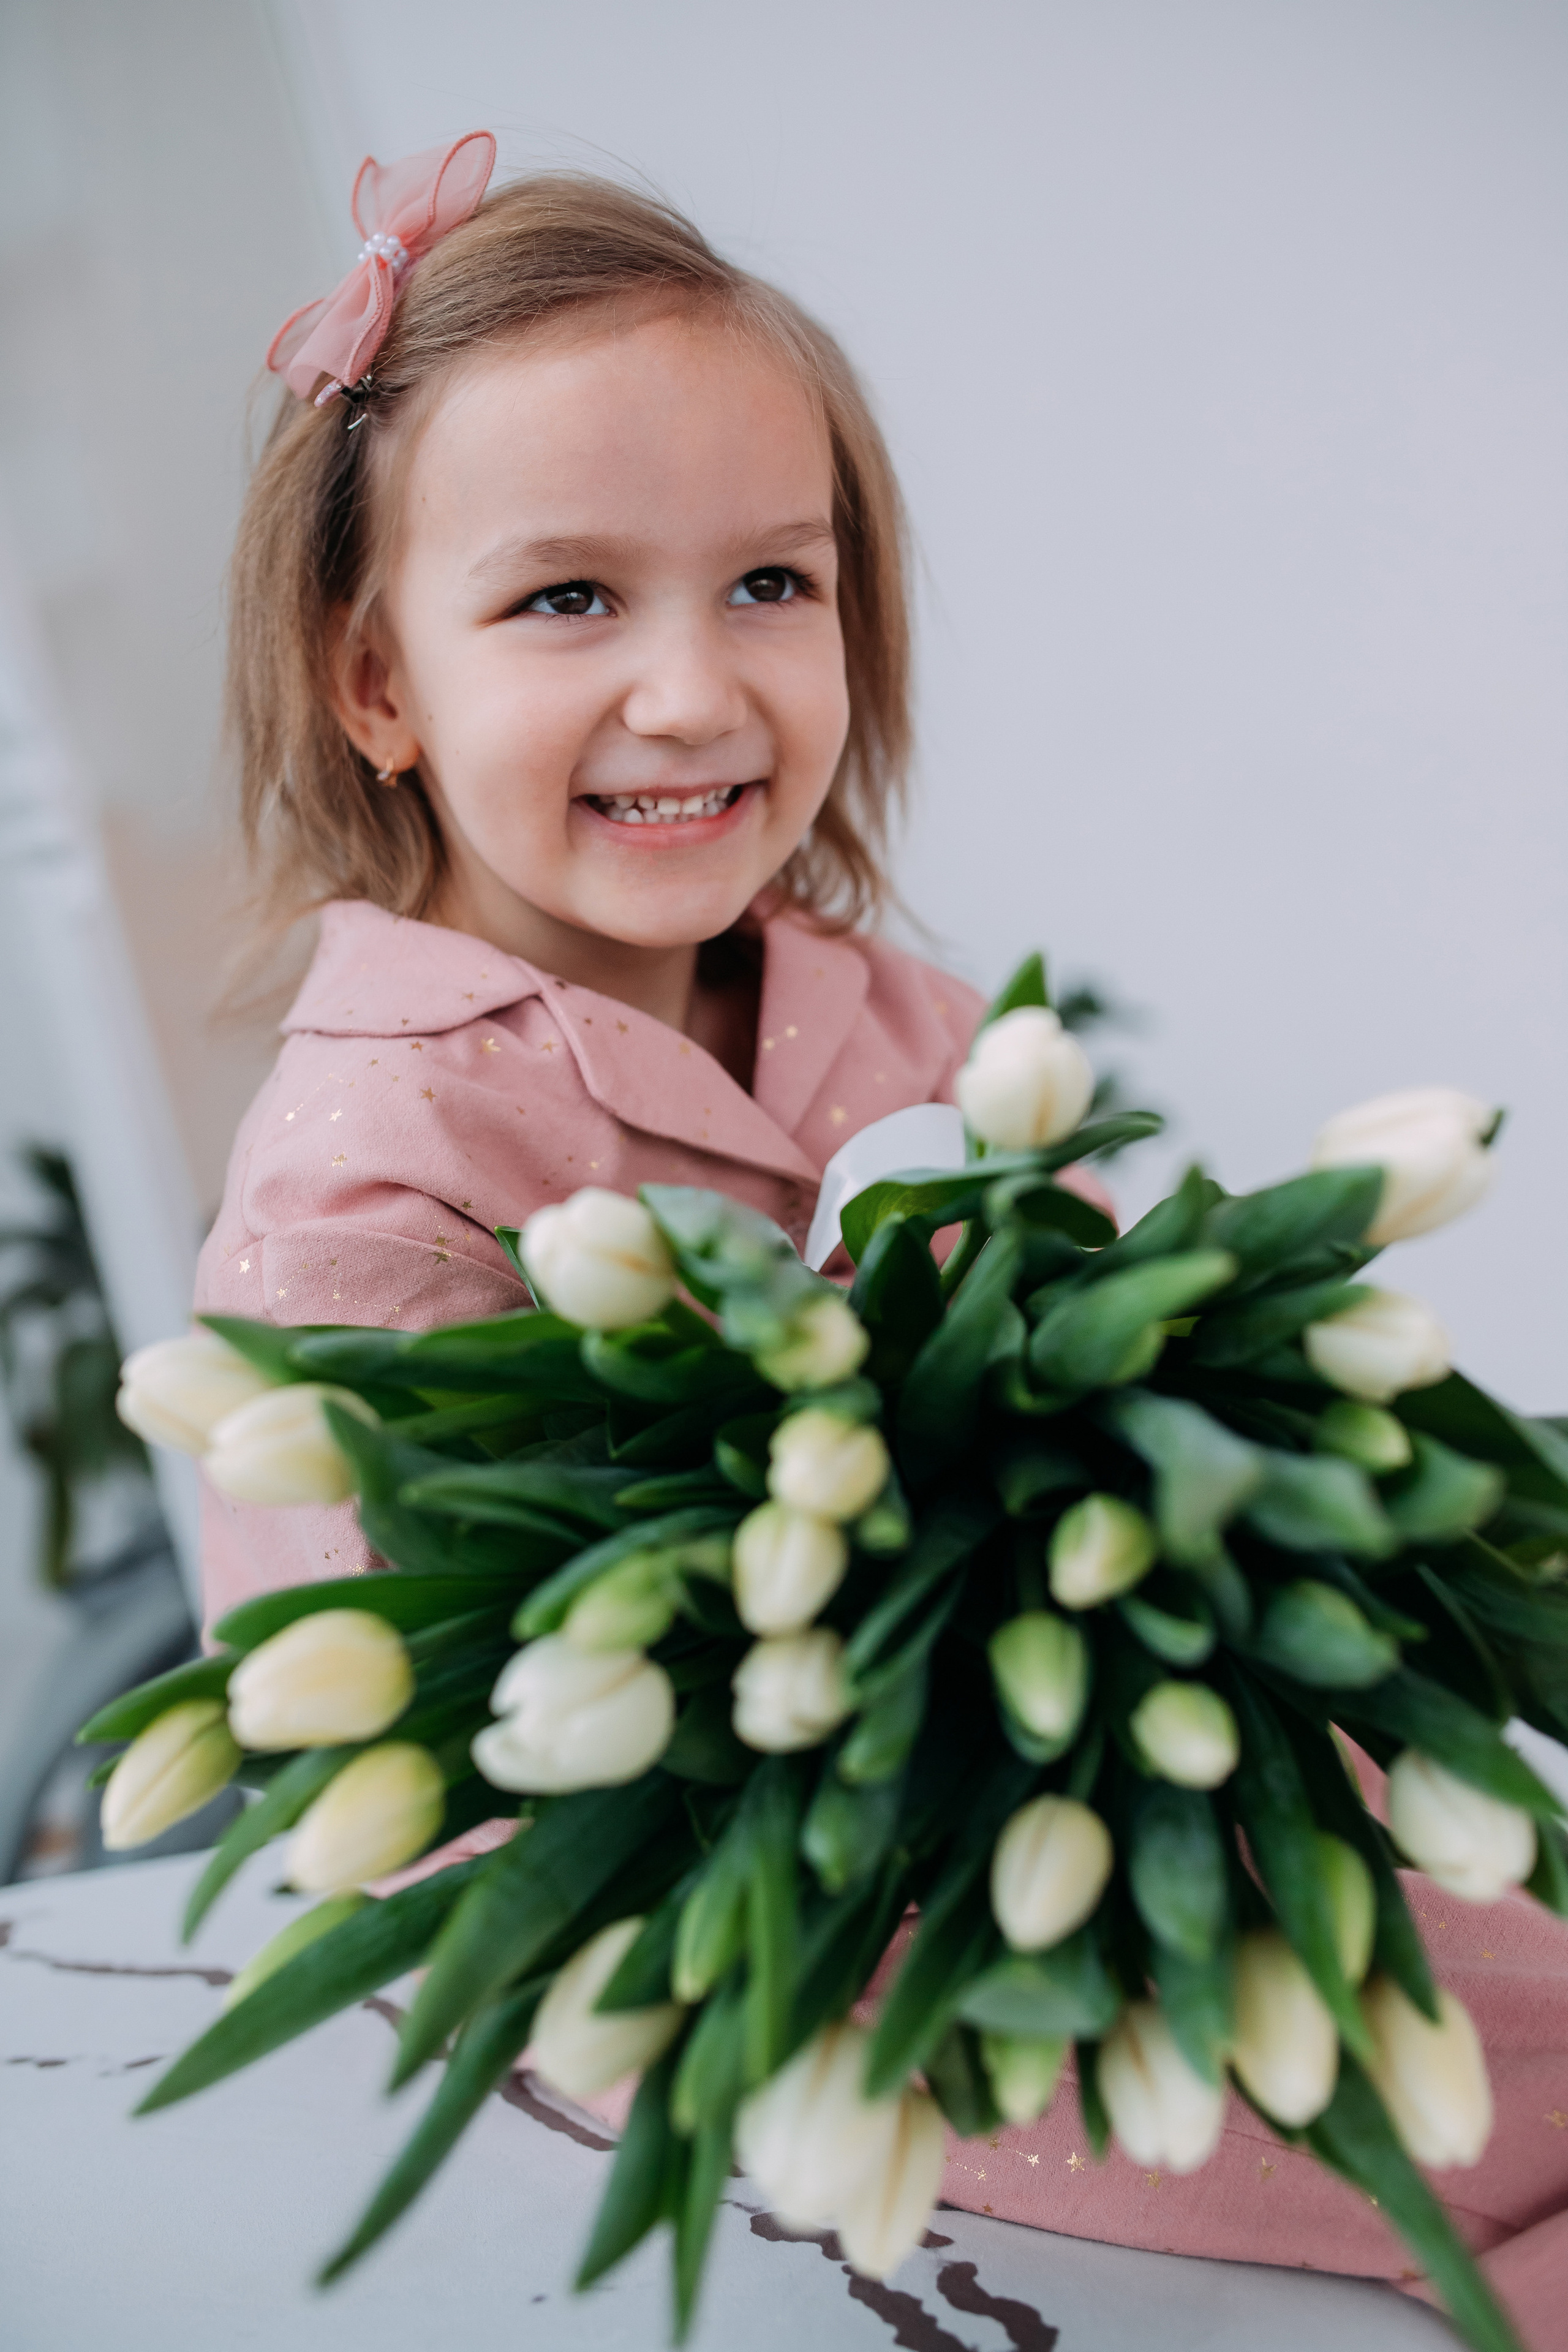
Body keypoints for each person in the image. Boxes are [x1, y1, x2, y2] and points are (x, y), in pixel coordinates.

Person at [196, 137, 1565, 2350]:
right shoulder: (379, 1166)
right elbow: (476, 1776)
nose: (692, 691)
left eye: (770, 583)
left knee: (1451, 1907)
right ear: (375, 682)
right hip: (744, 1912)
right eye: (568, 599)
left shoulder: (884, 1008)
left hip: (1080, 1744)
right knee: (1409, 2080)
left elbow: (1097, 1346)